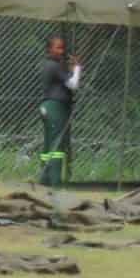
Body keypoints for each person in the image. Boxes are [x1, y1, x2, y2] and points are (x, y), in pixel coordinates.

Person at [38, 36, 81, 187]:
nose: (61, 51)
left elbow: (62, 81)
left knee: (49, 144)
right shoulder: (54, 66)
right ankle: (55, 182)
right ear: (49, 49)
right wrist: (77, 68)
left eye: (63, 48)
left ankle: (44, 180)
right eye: (58, 48)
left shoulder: (51, 65)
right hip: (56, 108)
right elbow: (73, 84)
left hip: (48, 107)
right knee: (57, 145)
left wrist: (68, 69)